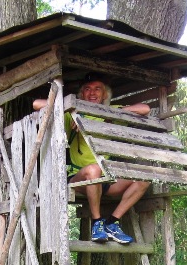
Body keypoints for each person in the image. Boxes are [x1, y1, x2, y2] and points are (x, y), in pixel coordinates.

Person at [33, 74, 151, 244]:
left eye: (97, 89)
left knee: (144, 178)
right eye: (87, 89)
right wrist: (70, 110)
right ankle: (97, 223)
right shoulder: (71, 112)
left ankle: (112, 223)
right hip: (78, 179)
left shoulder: (110, 111)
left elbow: (145, 109)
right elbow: (37, 104)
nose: (92, 92)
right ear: (82, 94)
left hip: (105, 179)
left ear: (105, 95)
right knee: (94, 169)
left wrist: (115, 114)